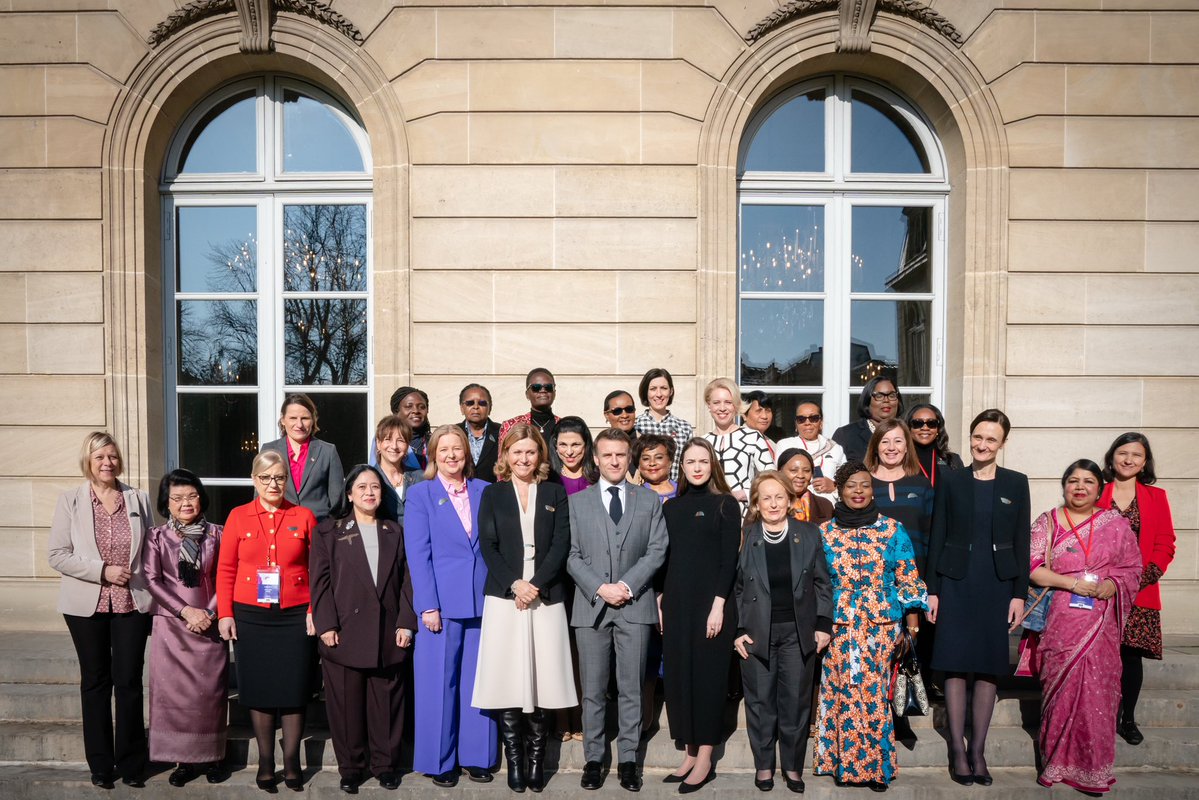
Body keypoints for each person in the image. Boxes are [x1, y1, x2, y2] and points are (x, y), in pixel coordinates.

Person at [925, 409, 1030, 786]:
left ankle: (978, 750)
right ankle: (957, 749)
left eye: (991, 439)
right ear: (970, 437)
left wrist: (1019, 593)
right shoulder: (951, 480)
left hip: (997, 583)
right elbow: (938, 534)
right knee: (954, 664)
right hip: (955, 580)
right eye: (978, 437)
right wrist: (932, 590)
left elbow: (1022, 541)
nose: (982, 445)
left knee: (987, 666)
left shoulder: (1017, 483)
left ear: (1003, 443)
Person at [473, 424, 577, 793]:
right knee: (509, 677)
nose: (524, 458)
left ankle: (537, 760)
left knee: (543, 677)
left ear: (540, 456)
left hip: (545, 597)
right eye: (517, 452)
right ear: (505, 456)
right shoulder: (492, 494)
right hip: (506, 598)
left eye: (531, 452)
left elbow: (562, 543)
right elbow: (488, 544)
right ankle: (514, 759)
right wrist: (514, 584)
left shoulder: (553, 491)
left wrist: (535, 586)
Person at [813, 461, 928, 793]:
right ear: (840, 489)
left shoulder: (893, 529)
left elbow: (907, 577)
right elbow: (818, 584)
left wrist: (913, 628)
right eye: (851, 486)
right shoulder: (824, 533)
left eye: (864, 485)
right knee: (842, 692)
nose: (859, 491)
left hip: (882, 626)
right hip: (840, 626)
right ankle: (842, 765)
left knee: (875, 695)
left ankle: (876, 768)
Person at [47, 432, 154, 789]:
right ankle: (101, 765)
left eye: (112, 456)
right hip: (85, 604)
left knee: (128, 681)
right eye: (99, 458)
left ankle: (133, 764)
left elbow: (151, 551)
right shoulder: (70, 501)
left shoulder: (137, 497)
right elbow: (57, 554)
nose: (107, 463)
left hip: (131, 602)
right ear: (88, 462)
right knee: (95, 682)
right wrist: (102, 571)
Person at [1028, 460, 1141, 794]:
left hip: (1102, 620)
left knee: (1097, 693)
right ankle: (1056, 762)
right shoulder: (1047, 522)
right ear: (1064, 486)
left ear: (1099, 488)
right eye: (1073, 481)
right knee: (1060, 691)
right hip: (1061, 618)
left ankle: (1092, 769)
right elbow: (1033, 567)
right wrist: (1071, 584)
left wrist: (1113, 584)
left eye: (1088, 481)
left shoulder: (1117, 525)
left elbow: (1133, 568)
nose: (1079, 487)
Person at [567, 429, 669, 792]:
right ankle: (593, 759)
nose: (613, 461)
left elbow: (657, 551)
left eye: (620, 455)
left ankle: (628, 759)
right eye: (607, 455)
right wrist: (601, 588)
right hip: (591, 608)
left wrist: (625, 587)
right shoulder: (577, 503)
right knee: (593, 691)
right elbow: (571, 555)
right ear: (596, 458)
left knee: (631, 689)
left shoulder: (648, 501)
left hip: (635, 607)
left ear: (629, 459)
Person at [310, 464, 417, 794]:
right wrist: (326, 623)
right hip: (343, 631)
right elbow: (320, 583)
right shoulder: (329, 531)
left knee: (386, 703)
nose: (370, 493)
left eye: (375, 487)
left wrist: (406, 621)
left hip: (388, 631)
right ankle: (351, 767)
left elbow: (407, 582)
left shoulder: (395, 531)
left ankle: (385, 764)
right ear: (349, 494)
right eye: (362, 487)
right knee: (346, 707)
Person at [217, 449, 319, 792]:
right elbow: (226, 568)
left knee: (294, 688)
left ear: (287, 480)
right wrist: (225, 614)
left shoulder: (303, 516)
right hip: (251, 613)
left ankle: (291, 760)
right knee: (259, 688)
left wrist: (312, 611)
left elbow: (317, 570)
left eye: (279, 477)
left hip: (295, 613)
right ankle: (265, 759)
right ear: (254, 479)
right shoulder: (238, 516)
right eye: (265, 478)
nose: (273, 484)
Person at [403, 425, 497, 786]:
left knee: (478, 682)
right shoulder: (421, 495)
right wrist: (427, 605)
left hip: (482, 601)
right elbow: (418, 554)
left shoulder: (485, 490)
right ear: (432, 455)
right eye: (444, 450)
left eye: (458, 449)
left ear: (467, 453)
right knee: (438, 685)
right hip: (440, 605)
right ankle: (439, 760)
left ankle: (476, 756)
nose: (452, 455)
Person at [734, 471, 832, 794]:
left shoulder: (809, 534)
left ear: (790, 500)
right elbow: (734, 587)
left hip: (798, 632)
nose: (773, 503)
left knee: (795, 701)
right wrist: (737, 630)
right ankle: (764, 765)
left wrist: (822, 625)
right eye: (766, 498)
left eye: (779, 497)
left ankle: (792, 765)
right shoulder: (746, 537)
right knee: (760, 703)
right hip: (757, 632)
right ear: (756, 504)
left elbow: (822, 583)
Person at [659, 438, 741, 792]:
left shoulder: (725, 505)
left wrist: (718, 605)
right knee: (680, 679)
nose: (696, 467)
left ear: (712, 465)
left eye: (703, 461)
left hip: (713, 607)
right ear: (682, 466)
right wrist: (662, 600)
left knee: (708, 680)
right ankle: (689, 753)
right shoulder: (671, 508)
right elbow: (667, 559)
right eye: (690, 461)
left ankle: (706, 755)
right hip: (678, 605)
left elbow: (728, 561)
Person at [142, 470, 227, 786]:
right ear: (167, 502)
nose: (185, 503)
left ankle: (215, 757)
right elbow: (151, 579)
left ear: (201, 497)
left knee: (209, 694)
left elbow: (226, 576)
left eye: (191, 495)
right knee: (176, 697)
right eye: (177, 498)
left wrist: (208, 612)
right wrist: (185, 611)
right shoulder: (157, 536)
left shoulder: (218, 534)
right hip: (171, 625)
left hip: (209, 623)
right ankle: (184, 762)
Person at [1097, 433, 1176, 746]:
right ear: (1112, 456)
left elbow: (1165, 543)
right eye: (1123, 453)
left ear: (1145, 462)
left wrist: (1140, 577)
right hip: (1099, 590)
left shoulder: (1156, 497)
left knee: (1130, 658)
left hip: (1140, 591)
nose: (1128, 460)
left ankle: (1126, 718)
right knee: (1100, 656)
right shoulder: (1096, 490)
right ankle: (1099, 713)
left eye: (1136, 455)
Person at [261, 392, 344, 522]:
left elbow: (337, 501)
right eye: (293, 418)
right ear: (283, 420)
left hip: (318, 529)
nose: (299, 424)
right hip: (278, 527)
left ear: (313, 420)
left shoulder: (328, 451)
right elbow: (260, 496)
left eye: (305, 418)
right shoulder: (269, 450)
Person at [865, 420, 934, 574]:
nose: (891, 448)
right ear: (876, 447)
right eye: (885, 441)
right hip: (872, 577)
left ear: (906, 447)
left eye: (898, 441)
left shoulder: (921, 485)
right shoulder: (863, 485)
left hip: (915, 575)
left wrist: (932, 586)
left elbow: (931, 536)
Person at [702, 378, 773, 513]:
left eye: (728, 402)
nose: (722, 408)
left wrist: (745, 493)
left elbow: (771, 479)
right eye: (716, 402)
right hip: (710, 515)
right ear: (709, 405)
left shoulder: (753, 437)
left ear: (736, 405)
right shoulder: (703, 442)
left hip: (745, 517)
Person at [774, 401, 844, 503]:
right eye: (801, 419)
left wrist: (834, 486)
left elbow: (848, 481)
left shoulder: (835, 448)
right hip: (795, 506)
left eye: (813, 418)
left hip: (829, 508)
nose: (807, 423)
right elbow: (778, 478)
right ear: (796, 424)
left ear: (821, 423)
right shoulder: (785, 445)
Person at [633, 367, 694, 482]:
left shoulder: (684, 428)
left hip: (676, 494)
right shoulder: (636, 425)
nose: (659, 394)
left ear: (670, 391)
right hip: (642, 493)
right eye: (653, 389)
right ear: (646, 392)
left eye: (663, 388)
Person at [831, 377, 903, 463]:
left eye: (892, 395)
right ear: (867, 400)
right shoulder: (845, 435)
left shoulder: (907, 433)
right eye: (879, 396)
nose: (886, 400)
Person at [373, 414, 427, 526]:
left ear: (407, 445)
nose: (394, 446)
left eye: (400, 440)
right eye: (388, 439)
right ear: (378, 444)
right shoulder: (369, 478)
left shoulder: (421, 477)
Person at [905, 403, 963, 486]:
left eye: (931, 423)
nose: (925, 428)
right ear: (909, 428)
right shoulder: (900, 459)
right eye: (917, 423)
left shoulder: (952, 461)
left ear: (938, 429)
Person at [500, 368, 560, 443]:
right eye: (536, 387)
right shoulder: (511, 426)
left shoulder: (565, 426)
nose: (543, 390)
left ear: (554, 393)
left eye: (548, 387)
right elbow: (503, 454)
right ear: (527, 394)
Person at [777, 448, 833, 526]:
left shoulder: (825, 506)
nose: (800, 476)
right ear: (780, 473)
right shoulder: (769, 504)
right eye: (793, 470)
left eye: (806, 471)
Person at [460, 383, 501, 483]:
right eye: (470, 403)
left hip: (493, 493)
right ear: (462, 408)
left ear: (490, 408)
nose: (476, 407)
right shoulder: (453, 433)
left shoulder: (502, 432)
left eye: (482, 403)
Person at [549, 416, 598, 496]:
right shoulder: (548, 479)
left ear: (586, 446)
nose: (569, 452)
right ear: (555, 447)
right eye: (563, 445)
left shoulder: (600, 477)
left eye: (575, 445)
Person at [632, 434, 677, 502]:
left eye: (659, 457)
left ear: (670, 461)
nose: (652, 463)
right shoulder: (634, 495)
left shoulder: (684, 491)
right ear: (638, 465)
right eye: (646, 459)